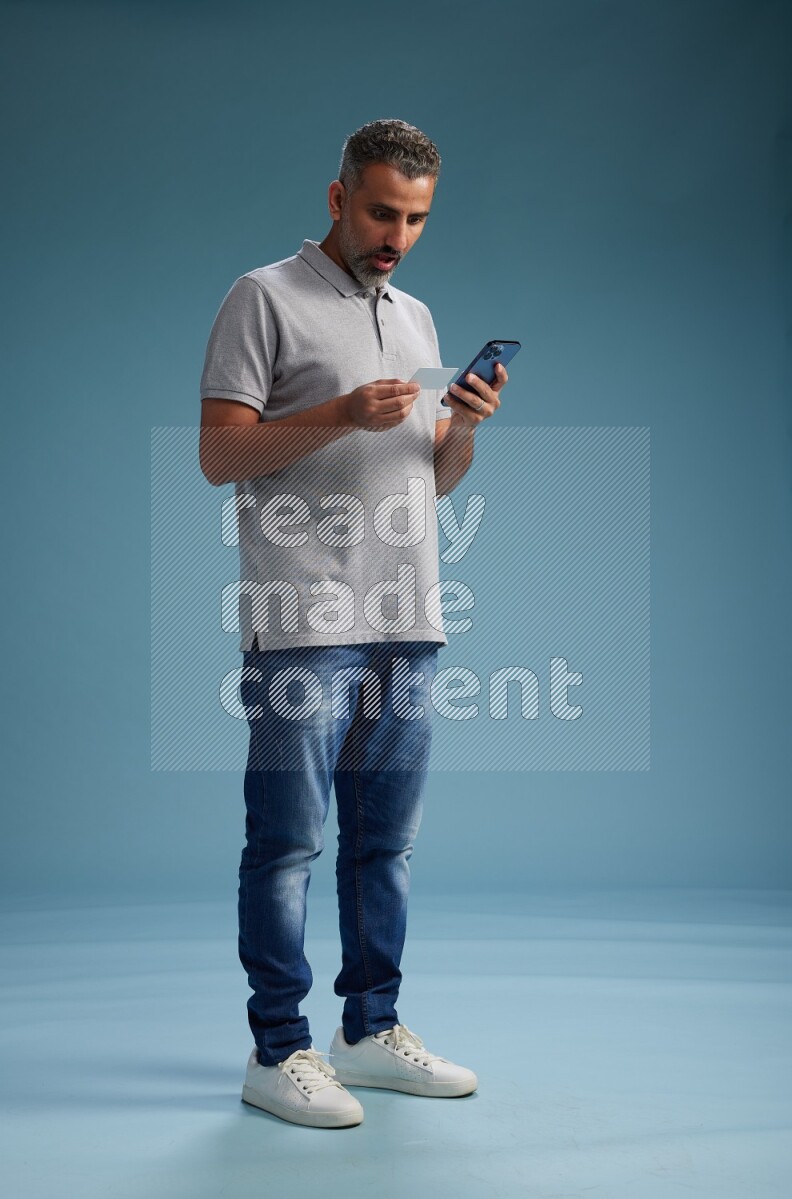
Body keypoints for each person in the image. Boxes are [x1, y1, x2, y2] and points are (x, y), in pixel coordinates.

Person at [199, 118, 508, 1129]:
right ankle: (276, 1048)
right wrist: (336, 412)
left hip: (406, 611)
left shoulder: (414, 316)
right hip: (303, 616)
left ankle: (368, 1031)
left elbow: (433, 479)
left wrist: (458, 424)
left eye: (415, 218)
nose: (397, 234)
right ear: (336, 198)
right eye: (381, 212)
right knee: (286, 843)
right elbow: (218, 453)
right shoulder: (262, 298)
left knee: (386, 843)